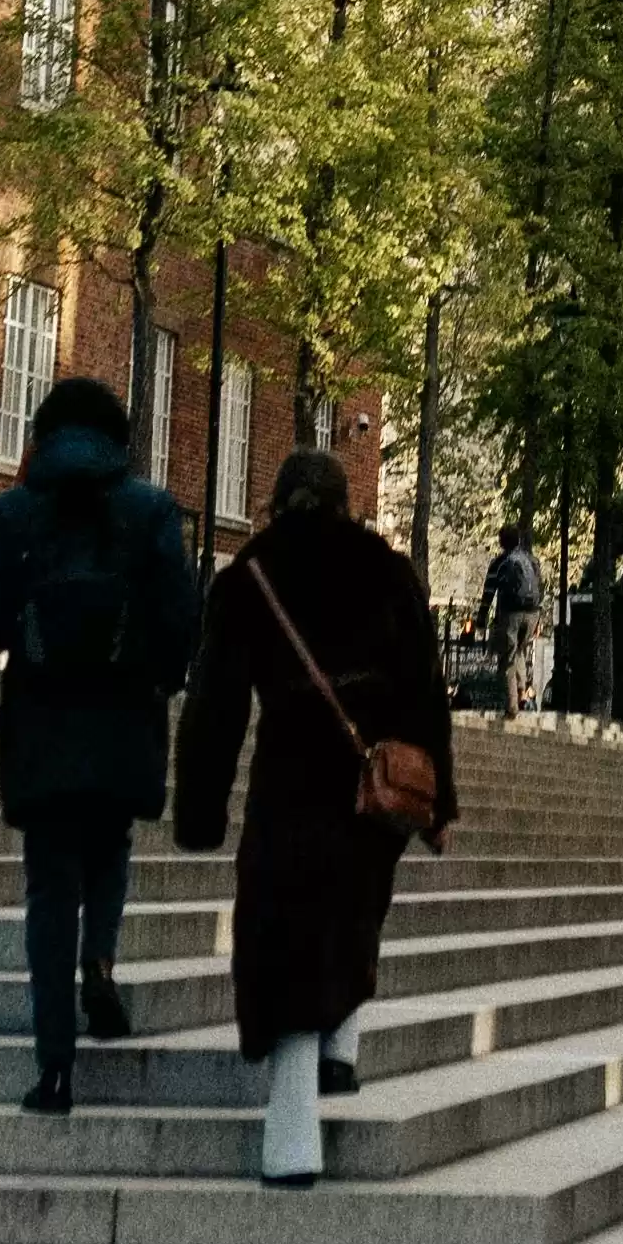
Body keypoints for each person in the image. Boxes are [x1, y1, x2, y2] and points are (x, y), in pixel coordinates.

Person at [171, 447, 453, 1183]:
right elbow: (428, 694)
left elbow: (214, 708)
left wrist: (199, 809)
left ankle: (291, 1128)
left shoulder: (249, 578)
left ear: (275, 498)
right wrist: (439, 800)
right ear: (343, 502)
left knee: (281, 927)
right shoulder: (387, 571)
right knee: (355, 908)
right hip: (374, 778)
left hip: (290, 774)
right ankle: (344, 1042)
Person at [0, 370, 201, 1116]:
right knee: (111, 845)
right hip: (125, 712)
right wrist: (160, 677)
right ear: (117, 439)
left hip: (43, 720)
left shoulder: (15, 513)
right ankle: (100, 962)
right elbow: (180, 619)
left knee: (48, 883)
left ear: (45, 435)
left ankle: (54, 1064)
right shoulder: (151, 509)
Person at [474, 524, 544, 715]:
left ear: (501, 541)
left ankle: (511, 705)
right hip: (532, 613)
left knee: (507, 657)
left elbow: (488, 592)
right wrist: (539, 618)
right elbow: (540, 587)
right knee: (519, 651)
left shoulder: (500, 562)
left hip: (510, 614)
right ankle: (522, 696)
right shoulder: (531, 560)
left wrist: (481, 618)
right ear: (519, 540)